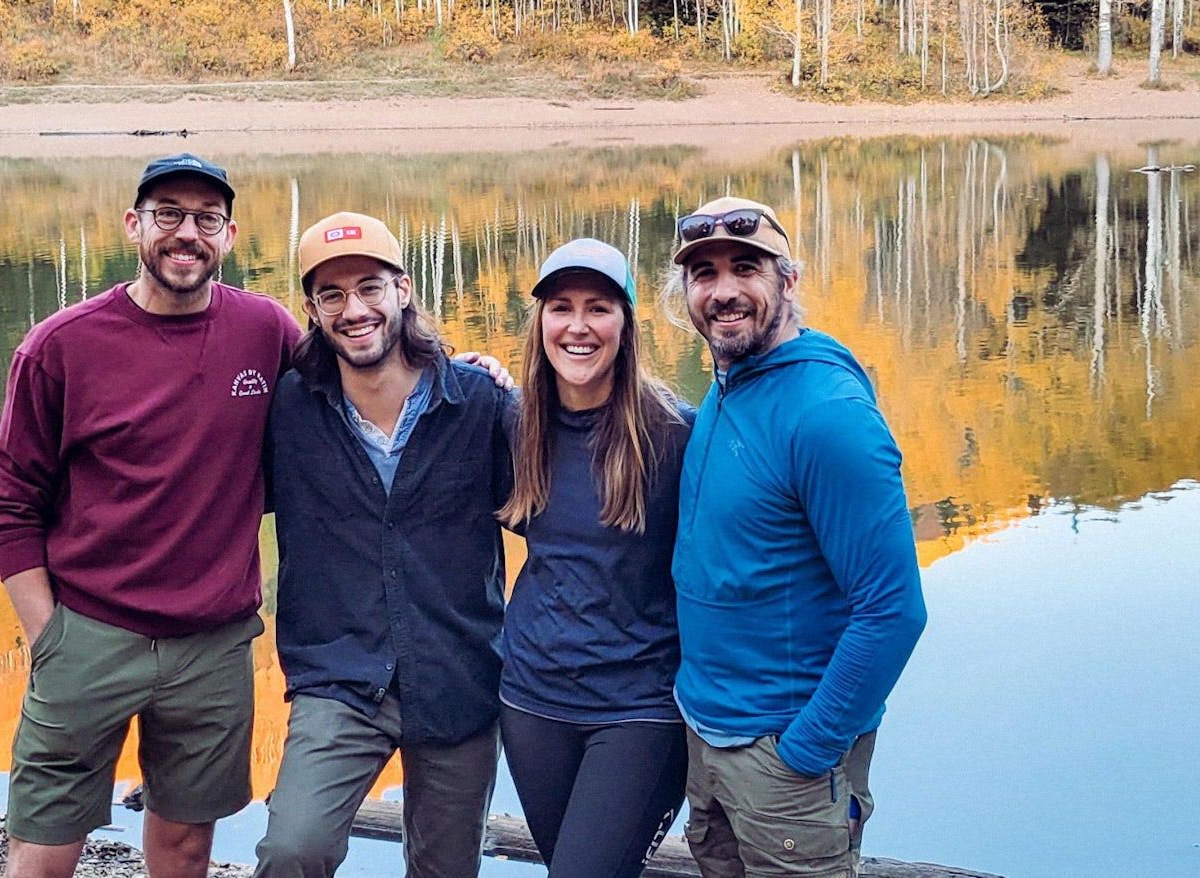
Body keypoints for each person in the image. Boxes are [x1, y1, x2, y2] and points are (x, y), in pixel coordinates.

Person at [0, 153, 300, 878]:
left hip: (213, 646)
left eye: (205, 220)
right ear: (134, 226)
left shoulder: (266, 332)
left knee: (186, 846)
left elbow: (357, 382)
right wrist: (49, 638)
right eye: (168, 216)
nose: (186, 234)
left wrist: (460, 372)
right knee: (45, 848)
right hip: (89, 633)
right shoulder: (60, 347)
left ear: (229, 235)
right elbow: (9, 506)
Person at [664, 197, 928, 877]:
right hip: (709, 743)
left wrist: (804, 754)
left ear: (788, 279)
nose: (723, 291)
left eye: (745, 267)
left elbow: (894, 611)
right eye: (703, 273)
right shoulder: (732, 386)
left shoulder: (828, 416)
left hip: (785, 760)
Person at [255, 211, 516, 878]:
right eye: (332, 295)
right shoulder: (287, 409)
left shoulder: (480, 401)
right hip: (338, 673)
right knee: (293, 850)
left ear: (403, 289)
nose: (354, 309)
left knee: (445, 869)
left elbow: (554, 515)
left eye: (369, 286)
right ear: (311, 310)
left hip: (458, 672)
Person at [496, 238, 695, 878]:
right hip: (531, 702)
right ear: (541, 323)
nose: (578, 326)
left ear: (626, 324)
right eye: (561, 307)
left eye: (599, 307)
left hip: (639, 707)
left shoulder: (675, 434)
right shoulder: (512, 422)